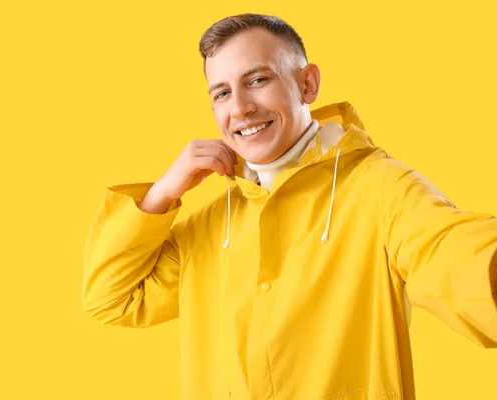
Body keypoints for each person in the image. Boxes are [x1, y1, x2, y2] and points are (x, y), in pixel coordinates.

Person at [82, 13, 497, 400]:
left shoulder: (380, 188)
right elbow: (112, 298)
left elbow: (451, 256)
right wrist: (160, 195)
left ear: (308, 84)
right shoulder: (211, 223)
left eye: (258, 80)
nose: (240, 107)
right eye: (222, 93)